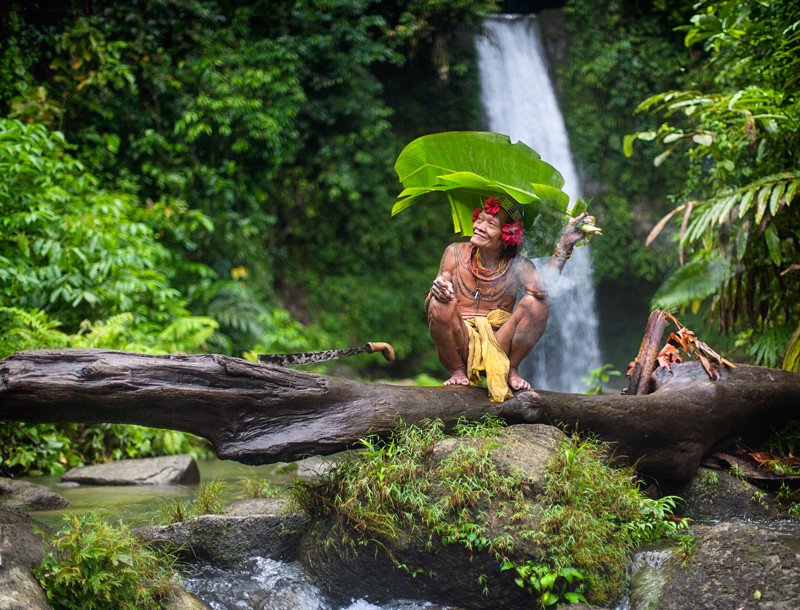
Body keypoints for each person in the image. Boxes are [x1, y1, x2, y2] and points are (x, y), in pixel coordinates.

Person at [425, 195, 590, 402]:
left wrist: (564, 245)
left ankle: (511, 368)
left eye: (490, 224)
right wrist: (439, 289)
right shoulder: (455, 252)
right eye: (480, 219)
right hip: (459, 340)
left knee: (537, 303)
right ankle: (457, 371)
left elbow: (543, 290)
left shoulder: (518, 265)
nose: (479, 227)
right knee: (438, 301)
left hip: (499, 345)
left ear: (506, 236)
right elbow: (433, 301)